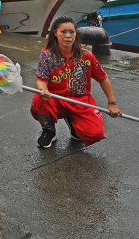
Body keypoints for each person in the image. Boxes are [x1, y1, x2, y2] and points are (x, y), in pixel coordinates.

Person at [31, 16, 122, 148]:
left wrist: (112, 103)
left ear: (76, 33)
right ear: (55, 32)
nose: (68, 36)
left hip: (80, 100)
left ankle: (73, 123)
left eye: (71, 32)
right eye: (63, 32)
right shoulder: (47, 55)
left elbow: (103, 78)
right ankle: (49, 130)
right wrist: (43, 90)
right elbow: (41, 80)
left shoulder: (87, 55)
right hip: (55, 99)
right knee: (39, 98)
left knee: (95, 134)